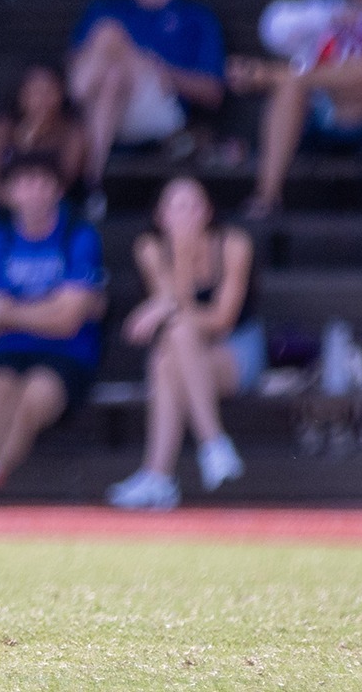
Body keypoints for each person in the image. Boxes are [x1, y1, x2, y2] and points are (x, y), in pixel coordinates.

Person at [0, 152, 106, 506]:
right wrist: (47, 307)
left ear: (57, 191)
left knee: (33, 397)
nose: (35, 192)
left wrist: (12, 310)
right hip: (11, 350)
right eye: (25, 184)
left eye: (43, 183)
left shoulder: (78, 236)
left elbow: (68, 319)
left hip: (69, 354)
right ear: (11, 193)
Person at [107, 177, 258, 510]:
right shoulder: (150, 246)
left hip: (236, 348)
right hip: (185, 353)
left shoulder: (233, 243)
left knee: (175, 335)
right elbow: (175, 304)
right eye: (176, 205)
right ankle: (212, 443)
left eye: (194, 204)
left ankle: (159, 475)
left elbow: (222, 319)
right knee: (172, 346)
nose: (186, 213)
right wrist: (182, 260)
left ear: (208, 211)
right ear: (161, 215)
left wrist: (160, 307)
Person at [67, 0, 225, 219]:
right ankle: (93, 183)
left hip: (163, 113)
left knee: (108, 34)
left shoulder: (197, 17)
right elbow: (77, 59)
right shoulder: (107, 7)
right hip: (107, 109)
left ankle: (76, 103)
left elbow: (213, 91)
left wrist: (160, 70)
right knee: (113, 74)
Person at [228, 0, 362, 219]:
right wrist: (329, 16)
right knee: (291, 87)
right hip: (319, 114)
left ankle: (274, 75)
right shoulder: (328, 9)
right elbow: (272, 28)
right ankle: (266, 198)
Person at [0, 63, 87, 283]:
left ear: (62, 94)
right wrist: (13, 199)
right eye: (33, 92)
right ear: (21, 95)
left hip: (55, 202)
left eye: (49, 91)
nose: (41, 99)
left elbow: (66, 180)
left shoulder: (73, 131)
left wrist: (34, 197)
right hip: (7, 200)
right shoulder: (3, 127)